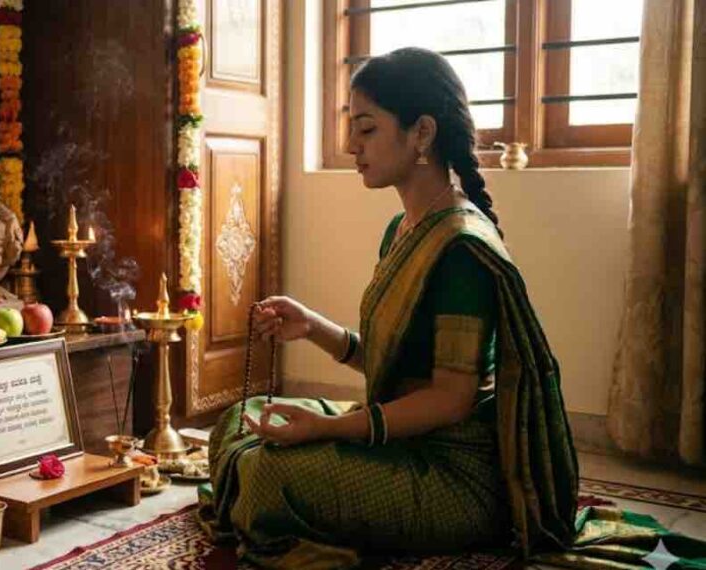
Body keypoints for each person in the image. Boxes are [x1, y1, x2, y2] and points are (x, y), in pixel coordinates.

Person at [199, 47, 706, 569]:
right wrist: (312, 328)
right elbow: (393, 365)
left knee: (263, 475)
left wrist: (325, 428)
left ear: (421, 132)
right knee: (239, 421)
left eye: (367, 129)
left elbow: (449, 401)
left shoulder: (460, 248)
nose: (351, 145)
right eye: (352, 128)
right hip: (402, 445)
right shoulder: (403, 230)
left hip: (453, 479)